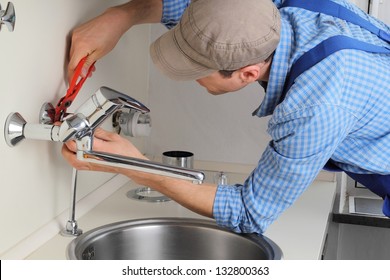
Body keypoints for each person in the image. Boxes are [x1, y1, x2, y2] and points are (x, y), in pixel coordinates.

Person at [63, 0, 390, 234]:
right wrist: (121, 15)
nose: (192, 78)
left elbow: (249, 212)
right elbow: (207, 15)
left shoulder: (316, 106)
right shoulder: (277, 10)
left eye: (197, 71)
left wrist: (132, 166)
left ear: (247, 74)